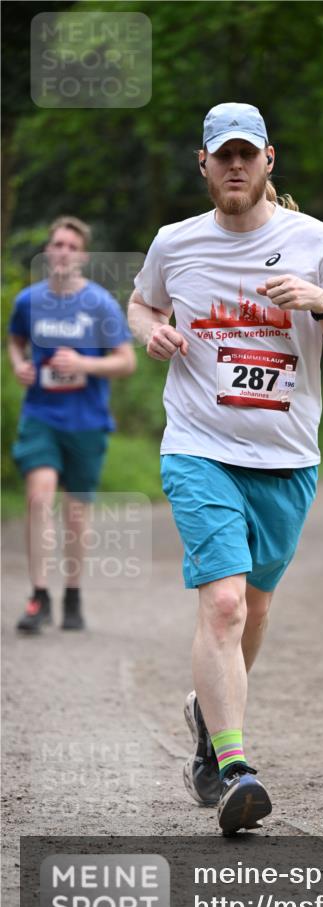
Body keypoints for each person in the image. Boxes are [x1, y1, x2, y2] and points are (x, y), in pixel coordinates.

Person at [127, 102, 323, 835]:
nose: (234, 166)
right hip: (199, 448)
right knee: (224, 604)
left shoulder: (315, 240)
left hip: (287, 458)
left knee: (255, 607)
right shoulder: (175, 243)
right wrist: (154, 331)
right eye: (220, 156)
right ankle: (233, 767)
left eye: (246, 154)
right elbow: (139, 304)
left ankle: (208, 717)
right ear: (203, 165)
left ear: (269, 159)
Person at [8, 216, 136, 634]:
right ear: (48, 252)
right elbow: (15, 341)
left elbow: (126, 361)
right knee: (38, 496)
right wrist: (19, 366)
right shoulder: (28, 302)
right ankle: (39, 596)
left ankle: (74, 594)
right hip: (41, 416)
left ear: (82, 256)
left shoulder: (100, 304)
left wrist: (83, 363)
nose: (61, 251)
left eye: (70, 246)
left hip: (86, 420)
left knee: (76, 514)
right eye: (56, 244)